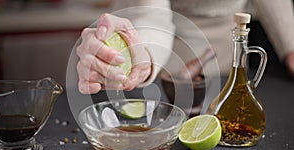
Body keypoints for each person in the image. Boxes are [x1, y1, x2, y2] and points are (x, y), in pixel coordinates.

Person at [76, 0, 294, 94]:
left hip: (227, 64)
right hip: (165, 74)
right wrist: (142, 57)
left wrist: (290, 46)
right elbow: (151, 15)